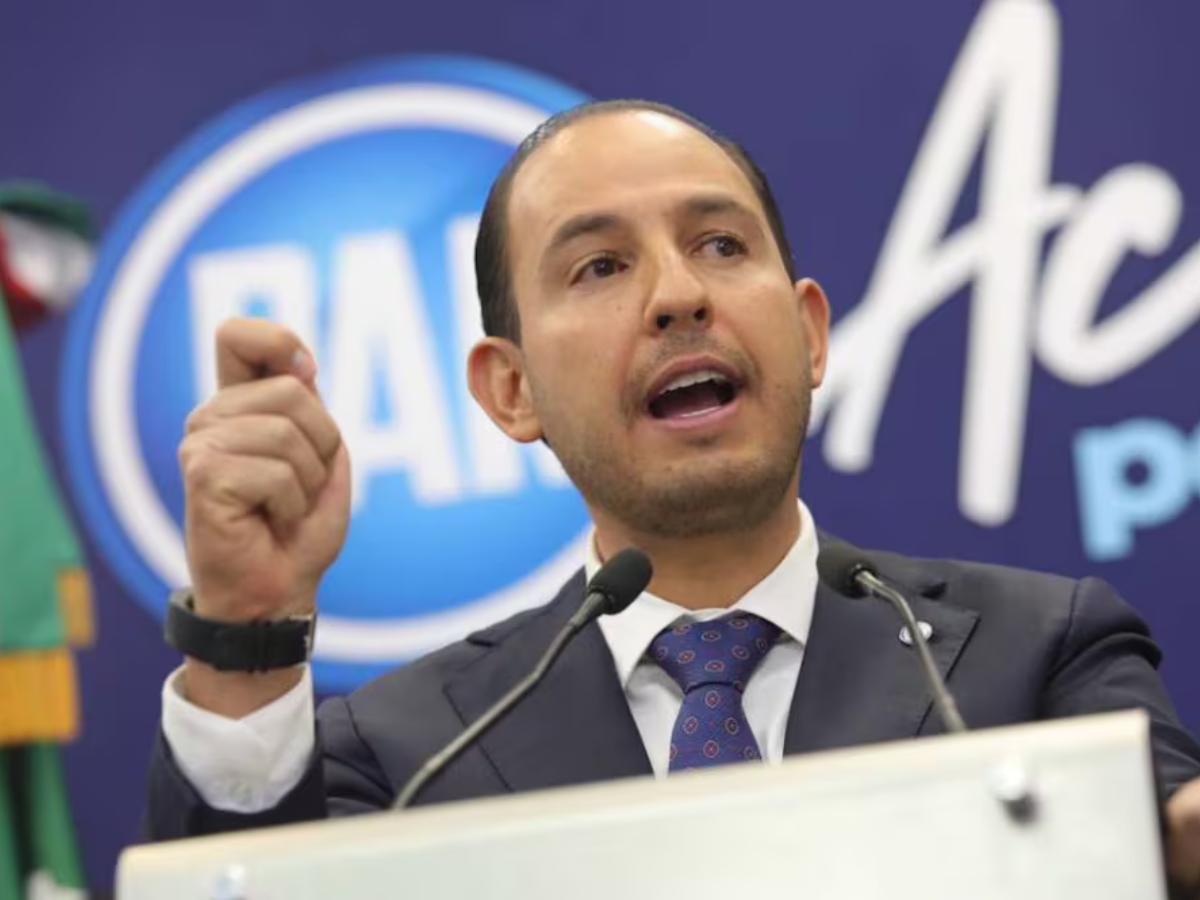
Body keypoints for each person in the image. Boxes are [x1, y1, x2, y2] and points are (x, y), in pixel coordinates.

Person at [146, 99, 1200, 893]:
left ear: (810, 333)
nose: (679, 295)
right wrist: (244, 636)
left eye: (720, 245)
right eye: (601, 266)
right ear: (511, 390)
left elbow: (1167, 839)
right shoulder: (405, 751)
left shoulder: (1039, 650)